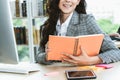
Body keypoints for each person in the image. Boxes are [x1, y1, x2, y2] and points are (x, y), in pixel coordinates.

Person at [36, 0, 120, 66]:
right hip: (55, 75)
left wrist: (91, 60)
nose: (67, 0)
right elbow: (38, 55)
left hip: (79, 74)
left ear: (78, 1)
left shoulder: (86, 20)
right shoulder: (48, 25)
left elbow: (116, 52)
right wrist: (47, 56)